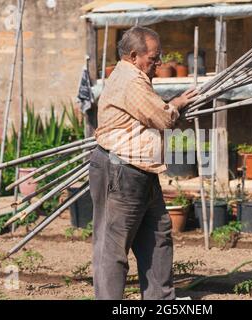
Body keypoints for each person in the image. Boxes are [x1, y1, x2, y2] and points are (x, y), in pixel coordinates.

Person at [90, 26, 198, 300]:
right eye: (154, 58)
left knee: (159, 235)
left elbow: (152, 115)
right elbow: (163, 118)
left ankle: (159, 300)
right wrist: (176, 103)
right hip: (122, 171)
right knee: (113, 247)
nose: (159, 63)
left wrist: (171, 107)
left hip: (141, 171)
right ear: (135, 55)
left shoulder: (133, 76)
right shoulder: (130, 79)